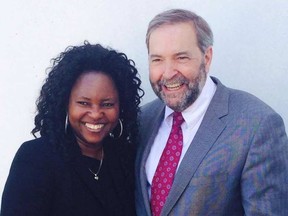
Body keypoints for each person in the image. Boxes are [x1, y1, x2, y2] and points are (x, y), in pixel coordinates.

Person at [135, 9, 288, 216]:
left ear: (207, 58)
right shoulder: (142, 119)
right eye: (157, 60)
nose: (168, 73)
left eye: (181, 57)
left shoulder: (258, 125)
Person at [1, 42, 144, 216]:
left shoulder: (126, 158)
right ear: (65, 104)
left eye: (107, 104)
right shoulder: (36, 158)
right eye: (84, 103)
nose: (96, 114)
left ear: (121, 106)